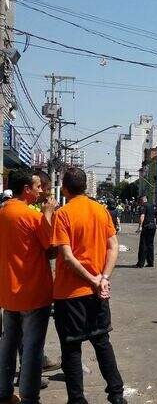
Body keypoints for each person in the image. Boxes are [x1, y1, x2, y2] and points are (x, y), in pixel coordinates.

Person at [50, 167, 126, 404]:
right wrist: (103, 278)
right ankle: (116, 395)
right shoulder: (101, 210)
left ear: (64, 188)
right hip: (96, 292)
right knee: (102, 342)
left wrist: (95, 279)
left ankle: (77, 399)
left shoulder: (63, 214)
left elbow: (67, 256)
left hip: (70, 293)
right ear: (84, 186)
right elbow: (113, 246)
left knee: (72, 348)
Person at [0, 169, 56, 404]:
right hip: (33, 292)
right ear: (26, 190)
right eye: (38, 187)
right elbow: (51, 247)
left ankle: (4, 392)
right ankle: (29, 396)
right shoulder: (31, 216)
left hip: (8, 292)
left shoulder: (3, 212)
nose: (41, 191)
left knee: (8, 344)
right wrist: (49, 214)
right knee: (32, 349)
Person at [135, 195, 156, 268]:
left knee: (143, 245)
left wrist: (140, 227)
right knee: (150, 245)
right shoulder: (151, 206)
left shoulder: (143, 206)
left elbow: (142, 216)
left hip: (146, 226)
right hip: (153, 226)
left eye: (140, 201)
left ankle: (140, 263)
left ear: (142, 200)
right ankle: (150, 262)